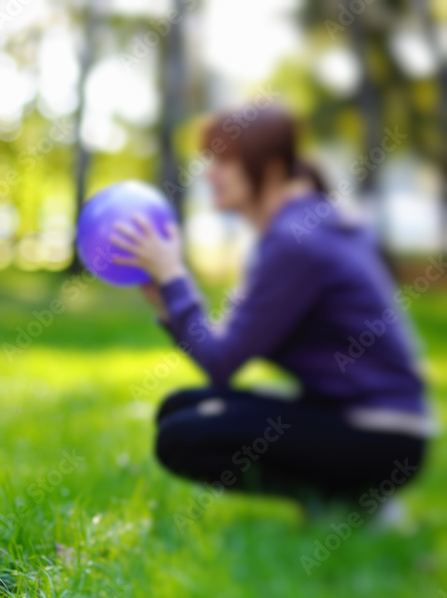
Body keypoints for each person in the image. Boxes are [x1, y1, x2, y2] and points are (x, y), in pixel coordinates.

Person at [111, 105, 433, 506]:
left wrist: (174, 276)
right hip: (362, 420)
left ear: (273, 168)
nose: (210, 173)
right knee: (182, 407)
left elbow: (221, 363)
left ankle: (352, 498)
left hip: (382, 432)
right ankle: (346, 493)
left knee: (183, 436)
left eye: (225, 160)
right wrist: (166, 300)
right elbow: (224, 358)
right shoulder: (306, 223)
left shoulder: (295, 241)